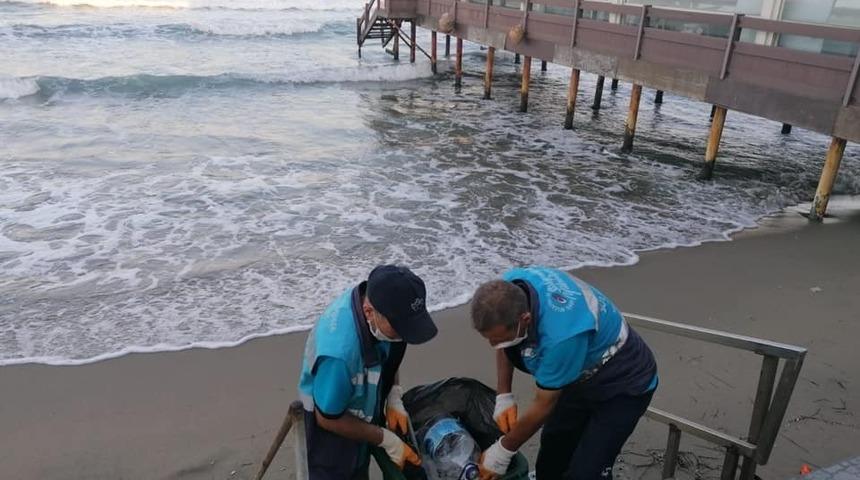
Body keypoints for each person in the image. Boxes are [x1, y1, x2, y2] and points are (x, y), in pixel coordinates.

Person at [470, 266, 658, 480]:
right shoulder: (508, 289)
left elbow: (544, 405)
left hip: (624, 383)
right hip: (577, 376)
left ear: (526, 319)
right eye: (490, 340)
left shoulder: (561, 337)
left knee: (586, 472)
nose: (494, 345)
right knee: (552, 454)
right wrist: (504, 395)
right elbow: (504, 342)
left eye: (498, 339)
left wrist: (502, 451)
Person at [297, 265, 438, 480]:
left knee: (360, 467)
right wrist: (385, 439)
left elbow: (392, 350)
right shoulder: (339, 355)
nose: (404, 335)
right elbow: (327, 418)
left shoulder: (388, 312)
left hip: (363, 402)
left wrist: (393, 395)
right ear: (369, 312)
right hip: (331, 421)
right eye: (400, 329)